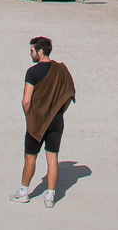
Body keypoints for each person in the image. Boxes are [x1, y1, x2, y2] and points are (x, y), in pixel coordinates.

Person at [12, 36, 75, 208]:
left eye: (32, 51)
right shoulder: (61, 69)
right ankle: (50, 197)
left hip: (36, 123)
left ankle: (24, 192)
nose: (30, 53)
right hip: (56, 121)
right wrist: (59, 112)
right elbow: (69, 95)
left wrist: (29, 116)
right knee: (52, 157)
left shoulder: (32, 72)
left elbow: (26, 101)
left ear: (40, 52)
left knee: (30, 157)